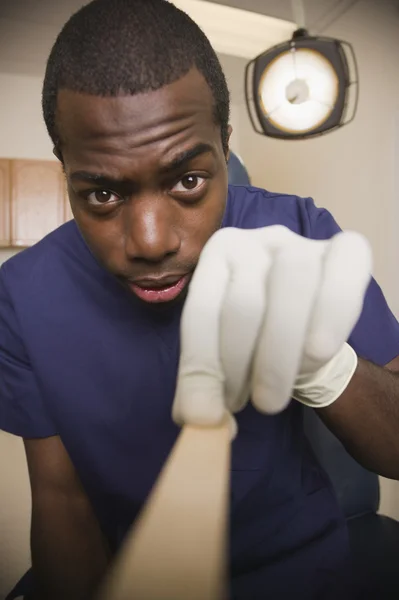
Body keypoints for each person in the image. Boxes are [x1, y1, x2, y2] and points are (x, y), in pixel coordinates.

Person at [1, 0, 399, 598]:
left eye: (188, 180)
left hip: (308, 573)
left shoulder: (298, 232)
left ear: (224, 140)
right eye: (103, 193)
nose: (151, 241)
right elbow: (63, 504)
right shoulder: (22, 296)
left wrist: (324, 365)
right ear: (65, 168)